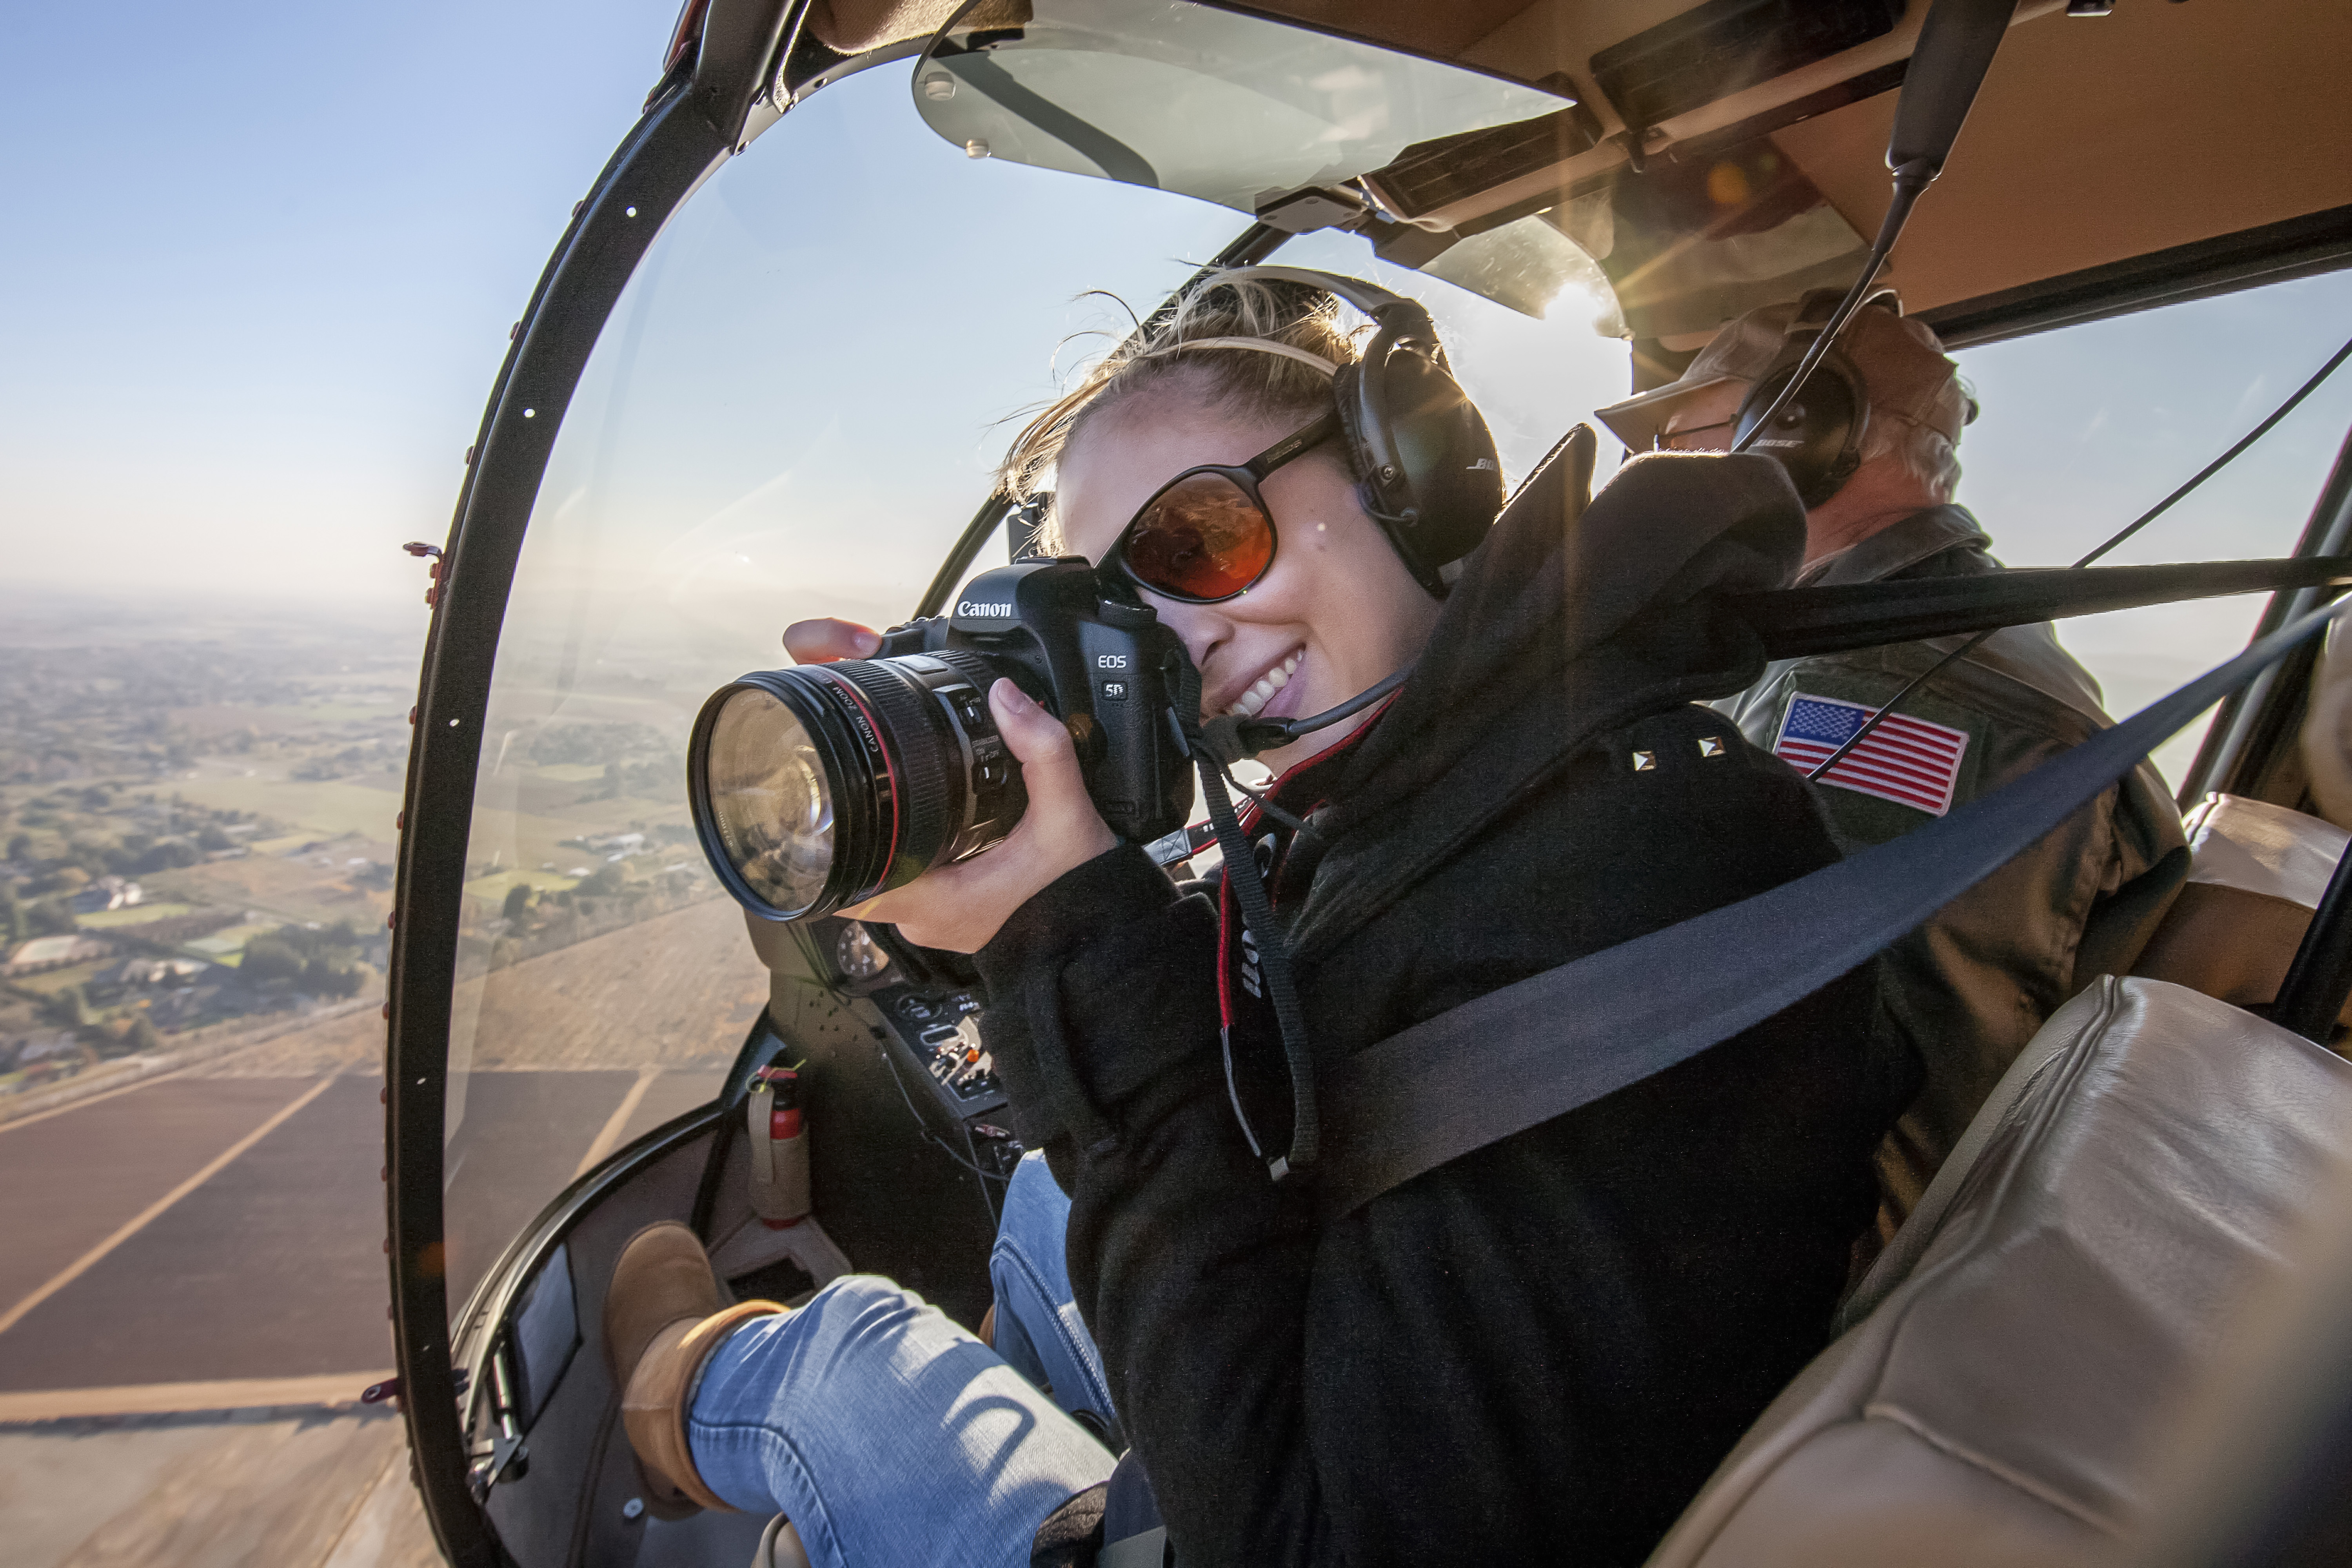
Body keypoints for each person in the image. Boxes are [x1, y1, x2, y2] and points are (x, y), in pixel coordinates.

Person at [601, 274, 1916, 1567]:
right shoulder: (1464, 786)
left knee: (847, 1361)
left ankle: (680, 1402)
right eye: (1118, 609)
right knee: (1034, 1218)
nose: (1176, 645)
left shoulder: (1646, 859)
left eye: (1199, 543)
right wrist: (975, 836)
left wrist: (1060, 937)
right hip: (1314, 1359)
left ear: (1418, 477)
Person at [1596, 287, 2190, 1223]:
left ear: (1801, 430)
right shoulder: (1842, 640)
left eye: (1678, 442)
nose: (1654, 476)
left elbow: (1847, 1119)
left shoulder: (1902, 690)